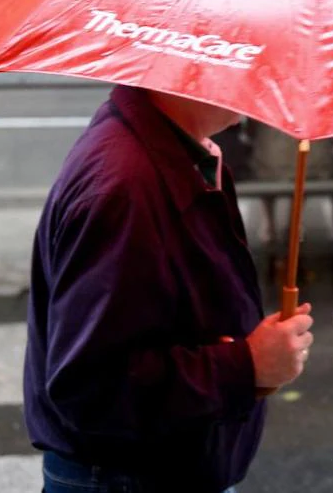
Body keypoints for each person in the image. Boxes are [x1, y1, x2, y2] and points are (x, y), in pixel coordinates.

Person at [25, 85, 314, 493]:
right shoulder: (126, 187)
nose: (259, 80)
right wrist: (247, 364)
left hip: (161, 463)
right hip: (130, 477)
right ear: (195, 66)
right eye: (244, 57)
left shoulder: (169, 149)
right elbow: (90, 387)